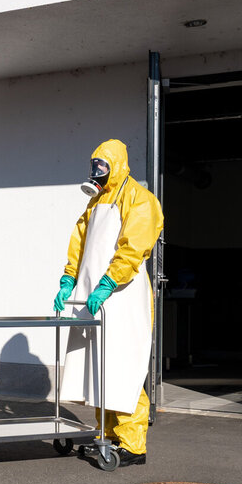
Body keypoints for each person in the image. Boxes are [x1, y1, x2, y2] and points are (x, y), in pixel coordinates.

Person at [53, 139, 163, 466]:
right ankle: (108, 434)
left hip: (122, 296)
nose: (96, 172)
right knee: (98, 367)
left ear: (117, 165)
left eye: (103, 166)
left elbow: (134, 247)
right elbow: (80, 244)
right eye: (94, 165)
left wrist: (108, 282)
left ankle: (132, 444)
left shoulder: (140, 200)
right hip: (93, 298)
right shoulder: (95, 203)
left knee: (122, 368)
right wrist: (68, 280)